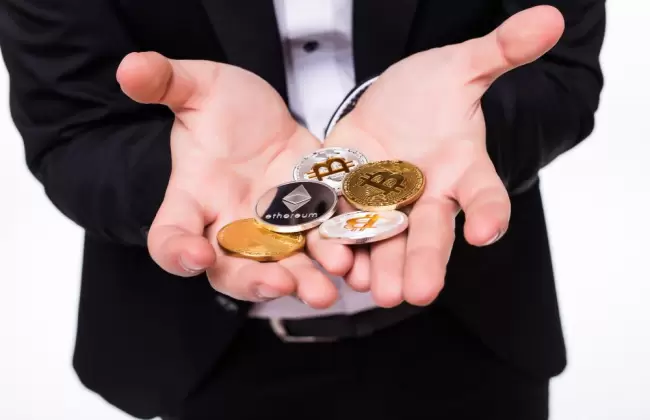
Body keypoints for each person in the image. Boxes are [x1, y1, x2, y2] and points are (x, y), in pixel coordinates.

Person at [0, 0, 605, 419]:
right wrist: (185, 182)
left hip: (476, 328)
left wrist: (470, 130)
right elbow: (70, 128)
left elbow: (562, 75)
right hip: (205, 354)